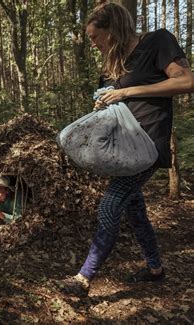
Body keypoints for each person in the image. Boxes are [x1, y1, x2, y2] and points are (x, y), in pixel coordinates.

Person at [62, 3, 194, 297]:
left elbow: (187, 80)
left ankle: (84, 278)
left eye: (96, 37)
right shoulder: (111, 65)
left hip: (146, 146)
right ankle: (155, 268)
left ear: (113, 30)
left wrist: (128, 91)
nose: (93, 44)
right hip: (121, 150)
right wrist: (102, 103)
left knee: (110, 205)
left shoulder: (156, 42)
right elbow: (112, 107)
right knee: (134, 208)